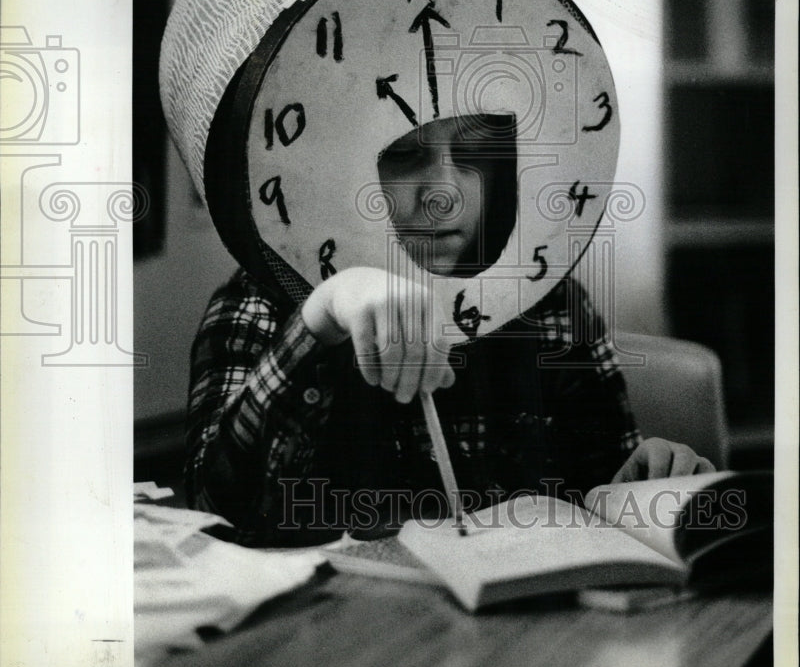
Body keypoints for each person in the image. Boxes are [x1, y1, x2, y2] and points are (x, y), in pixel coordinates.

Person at [186, 112, 714, 546]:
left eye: (471, 155)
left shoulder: (546, 296)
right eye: (402, 153)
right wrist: (321, 316)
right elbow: (215, 511)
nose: (445, 194)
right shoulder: (260, 300)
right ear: (340, 169)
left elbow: (601, 485)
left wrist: (639, 483)